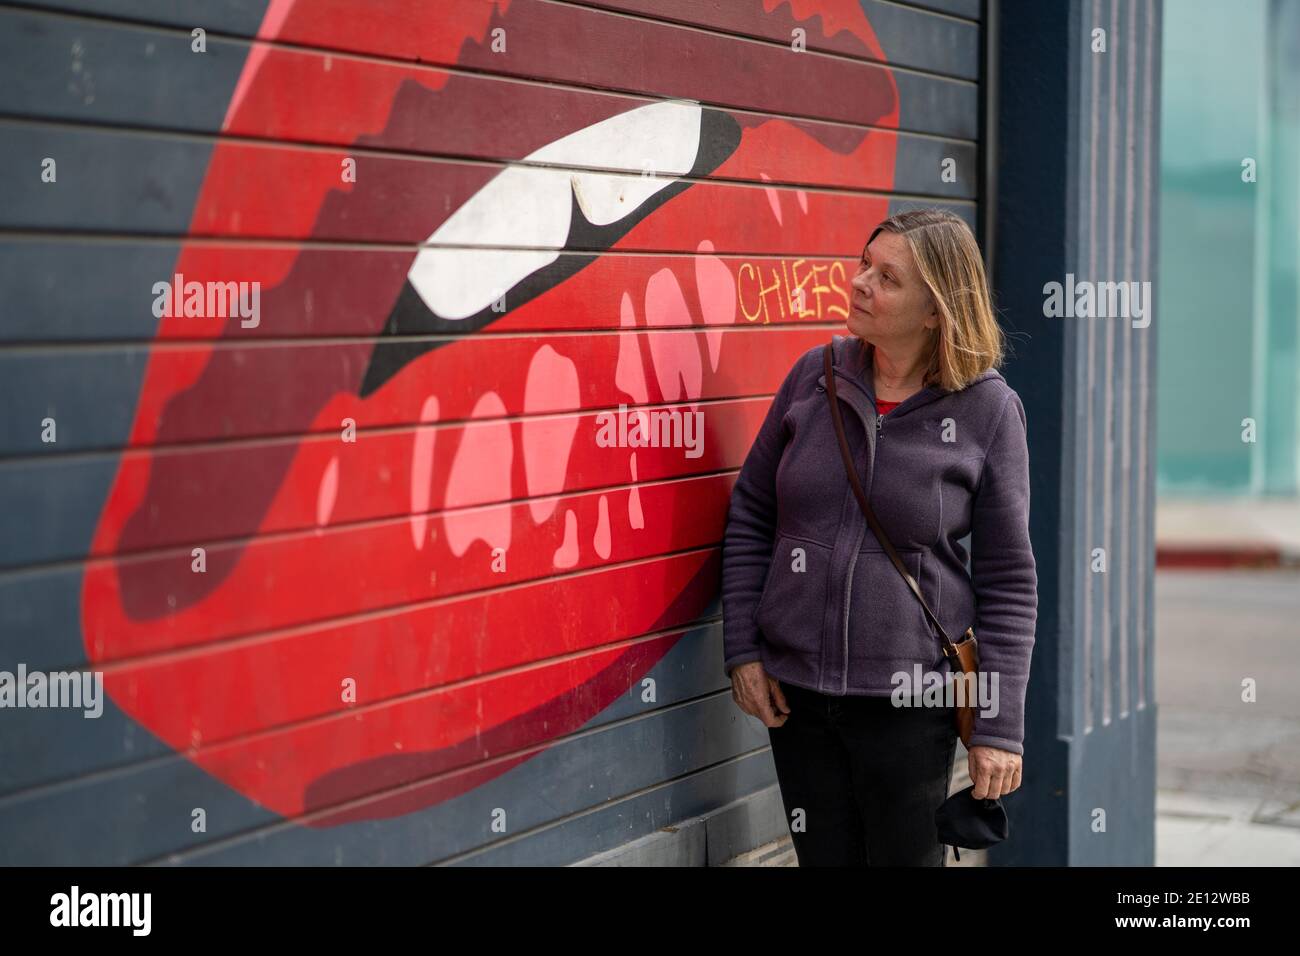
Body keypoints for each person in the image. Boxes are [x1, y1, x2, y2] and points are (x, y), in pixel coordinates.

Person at [721, 208, 1038, 866]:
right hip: (798, 701)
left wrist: (999, 727)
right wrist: (744, 649)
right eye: (865, 264)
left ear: (934, 310)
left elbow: (1009, 582)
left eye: (887, 277)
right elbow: (752, 511)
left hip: (910, 705)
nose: (861, 282)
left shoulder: (987, 409)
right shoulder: (816, 375)